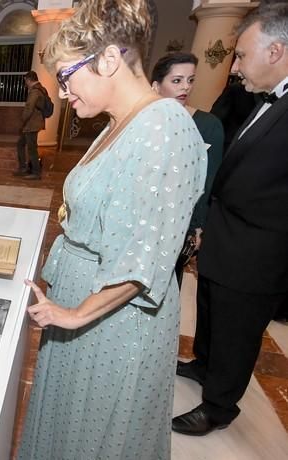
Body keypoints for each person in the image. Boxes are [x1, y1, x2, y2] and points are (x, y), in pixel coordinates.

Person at [17, 0, 206, 457]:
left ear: (107, 59)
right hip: (88, 306)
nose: (62, 92)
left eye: (66, 76)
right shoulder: (118, 123)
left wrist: (76, 314)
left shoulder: (165, 125)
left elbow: (147, 254)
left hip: (115, 324)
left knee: (96, 436)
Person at [173, 4, 288, 436]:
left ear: (275, 51)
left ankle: (219, 408)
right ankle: (204, 365)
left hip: (258, 249)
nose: (235, 66)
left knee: (238, 331)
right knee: (212, 313)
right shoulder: (262, 99)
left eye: (241, 55)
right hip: (228, 237)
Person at [151, 52, 224, 286]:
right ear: (156, 86)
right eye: (177, 80)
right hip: (141, 218)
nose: (186, 87)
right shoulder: (143, 123)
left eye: (190, 80)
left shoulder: (208, 125)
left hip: (179, 224)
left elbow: (208, 181)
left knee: (166, 285)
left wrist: (198, 227)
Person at [210, 77, 260, 152]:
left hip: (250, 146)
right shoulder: (237, 89)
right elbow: (216, 116)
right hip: (226, 143)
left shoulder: (270, 97)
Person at [13, 71, 46, 180]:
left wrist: (22, 121)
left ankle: (36, 172)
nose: (25, 83)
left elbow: (29, 108)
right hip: (34, 123)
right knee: (21, 144)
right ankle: (23, 168)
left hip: (31, 124)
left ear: (29, 79)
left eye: (25, 80)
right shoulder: (42, 89)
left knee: (32, 148)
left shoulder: (35, 91)